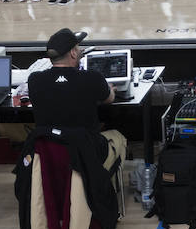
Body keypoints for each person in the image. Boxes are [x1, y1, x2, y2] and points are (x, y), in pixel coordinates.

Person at [25, 28, 127, 175]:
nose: (80, 51)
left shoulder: (34, 80)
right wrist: (109, 88)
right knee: (118, 137)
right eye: (78, 48)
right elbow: (109, 98)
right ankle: (100, 188)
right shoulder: (92, 77)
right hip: (87, 152)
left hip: (49, 153)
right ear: (73, 53)